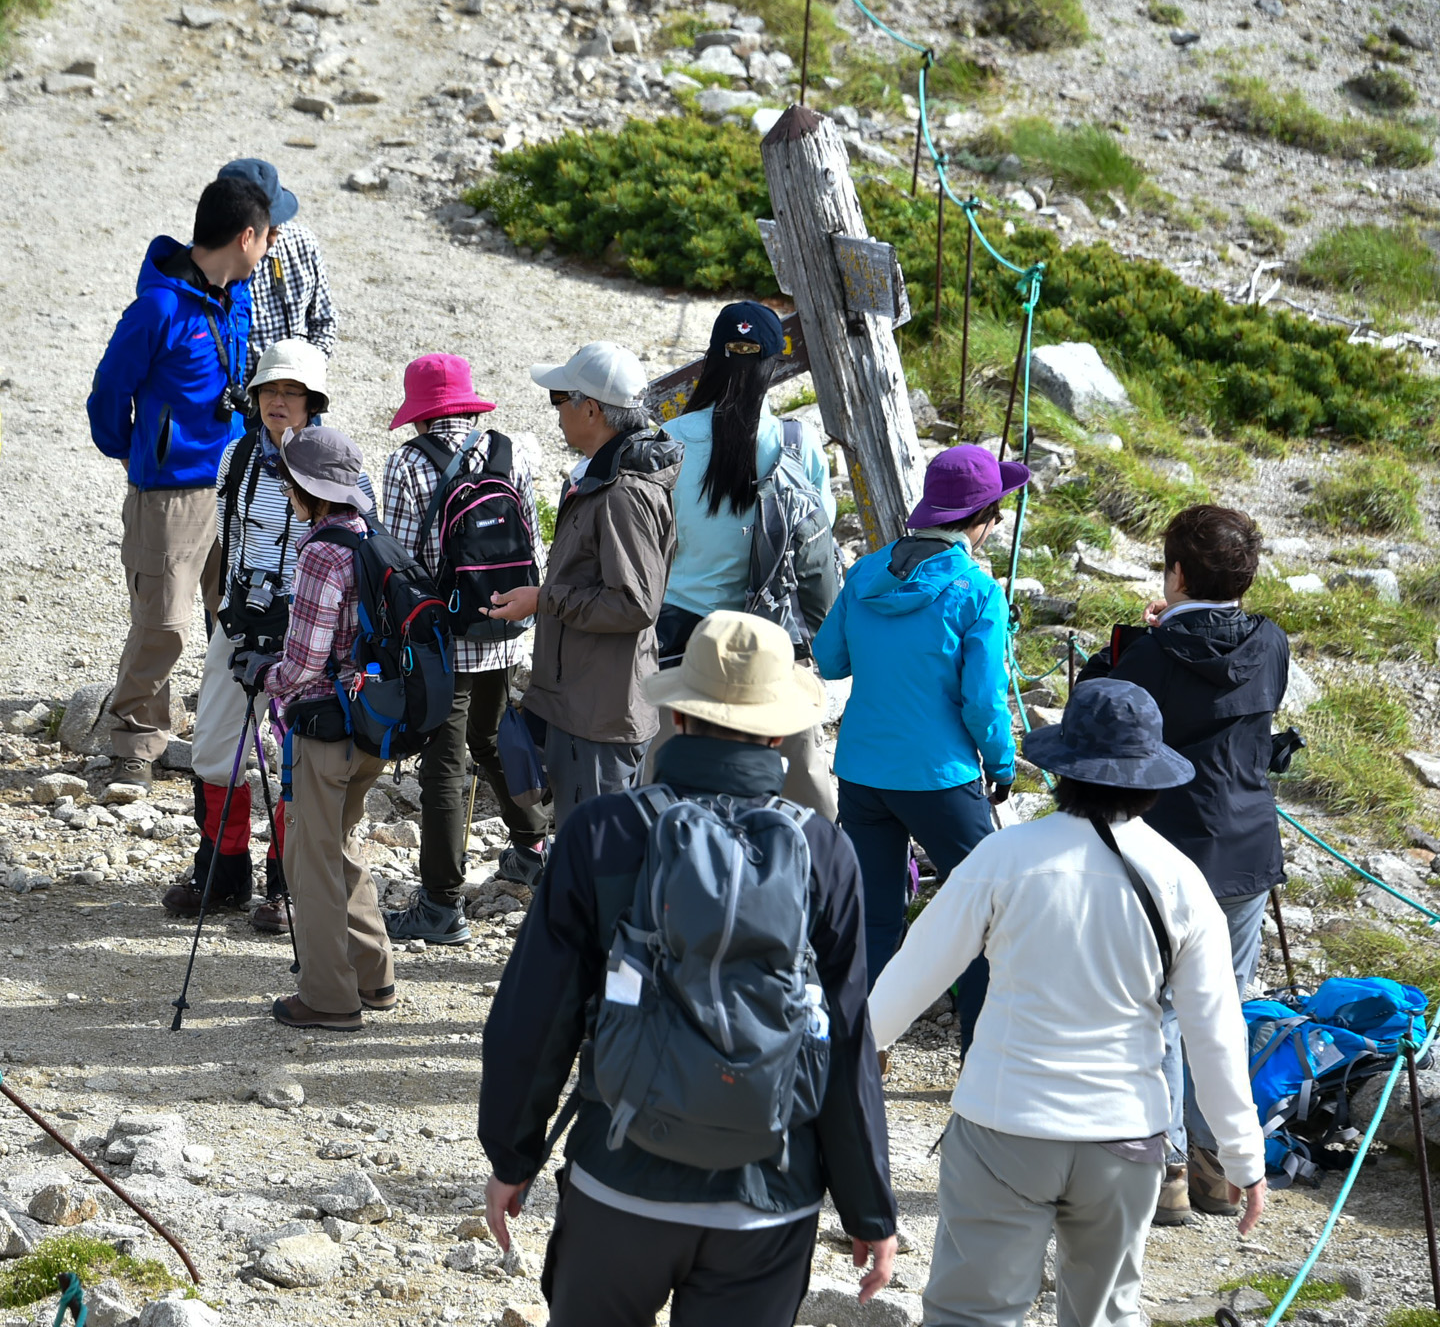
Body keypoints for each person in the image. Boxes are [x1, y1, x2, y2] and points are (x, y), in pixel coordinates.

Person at [478, 611, 898, 1327]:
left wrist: (513, 1155)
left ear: (675, 713)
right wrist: (869, 1207)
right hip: (770, 1200)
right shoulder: (824, 853)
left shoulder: (603, 832)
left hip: (620, 1180)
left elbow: (535, 1012)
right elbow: (848, 1040)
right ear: (778, 733)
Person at [869, 679, 1267, 1327]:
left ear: (1061, 770)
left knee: (971, 1313)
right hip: (1125, 1133)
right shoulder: (1181, 880)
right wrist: (1243, 1158)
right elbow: (1215, 1034)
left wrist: (850, 1061)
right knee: (1108, 1315)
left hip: (1004, 1122)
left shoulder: (1003, 857)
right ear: (1152, 778)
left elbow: (910, 977)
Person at [1076, 504, 1288, 1223]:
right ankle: (1220, 1170)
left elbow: (1099, 711)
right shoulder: (1272, 644)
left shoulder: (1153, 652)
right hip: (1247, 846)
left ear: (1176, 573)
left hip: (1164, 847)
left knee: (1159, 1006)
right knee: (1222, 1004)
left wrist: (1134, 643)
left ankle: (1164, 1169)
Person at [812, 444, 1027, 1047]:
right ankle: (979, 1052)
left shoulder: (865, 571)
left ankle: (860, 1049)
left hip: (861, 771)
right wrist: (1003, 763)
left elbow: (828, 660)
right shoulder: (977, 591)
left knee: (873, 917)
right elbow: (984, 701)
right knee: (987, 916)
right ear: (981, 519)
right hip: (940, 777)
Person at [161, 340, 373, 933]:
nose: (278, 402)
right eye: (269, 391)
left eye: (292, 393)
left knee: (293, 758)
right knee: (213, 748)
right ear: (253, 398)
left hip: (309, 636)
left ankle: (286, 880)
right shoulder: (236, 458)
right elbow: (226, 542)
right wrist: (226, 614)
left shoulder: (341, 466)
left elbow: (361, 552)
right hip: (240, 622)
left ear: (313, 403)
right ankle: (222, 869)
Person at [87, 176, 272, 796]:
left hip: (232, 485)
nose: (269, 248)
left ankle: (225, 736)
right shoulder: (157, 309)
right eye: (267, 236)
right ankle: (135, 742)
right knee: (163, 624)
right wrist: (134, 452)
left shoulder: (236, 298)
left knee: (236, 617)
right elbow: (108, 393)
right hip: (167, 494)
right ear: (246, 236)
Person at [380, 353, 552, 944]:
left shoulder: (407, 464)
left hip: (445, 640)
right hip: (506, 623)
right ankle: (532, 845)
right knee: (498, 734)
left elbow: (401, 564)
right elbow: (530, 533)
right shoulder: (514, 451)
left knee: (445, 765)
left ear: (421, 414)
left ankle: (440, 905)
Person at [643, 302, 839, 817]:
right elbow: (815, 542)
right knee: (799, 776)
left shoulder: (671, 441)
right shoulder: (798, 446)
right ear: (773, 364)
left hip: (678, 636)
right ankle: (828, 872)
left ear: (711, 358)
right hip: (770, 636)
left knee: (663, 776)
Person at [232, 425, 394, 1032]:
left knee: (310, 859)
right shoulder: (368, 537)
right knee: (342, 842)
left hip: (325, 728)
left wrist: (261, 672)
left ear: (304, 489)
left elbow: (302, 667)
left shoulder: (322, 552)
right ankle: (373, 975)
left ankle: (329, 998)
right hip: (373, 723)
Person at [486, 342, 681, 829]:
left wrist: (542, 598)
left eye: (560, 400)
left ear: (591, 409)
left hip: (599, 718)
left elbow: (635, 605)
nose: (555, 414)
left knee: (595, 866)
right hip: (594, 705)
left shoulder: (622, 493)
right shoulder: (615, 477)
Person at [216, 159, 337, 376]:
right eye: (262, 227)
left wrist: (305, 378)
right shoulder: (209, 264)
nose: (272, 236)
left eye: (275, 223)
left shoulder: (302, 243)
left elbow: (324, 320)